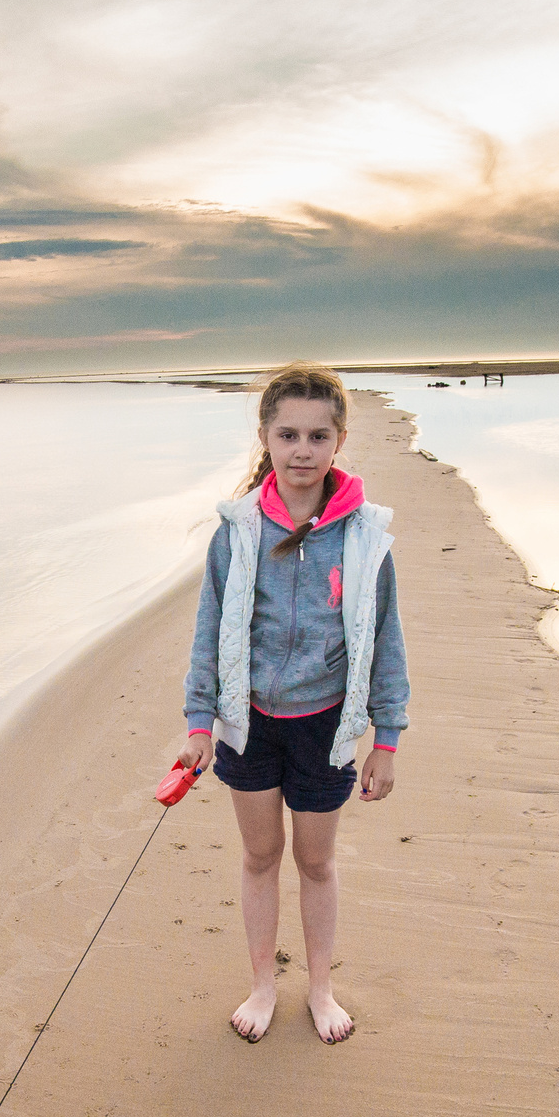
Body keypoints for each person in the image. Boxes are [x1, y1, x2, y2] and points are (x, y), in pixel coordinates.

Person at [177, 363, 409, 1044]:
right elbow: (210, 629)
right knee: (258, 857)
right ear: (266, 438)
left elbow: (386, 637)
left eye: (317, 435)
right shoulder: (237, 530)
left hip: (326, 728)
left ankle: (322, 989)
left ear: (338, 441)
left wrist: (386, 738)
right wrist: (199, 723)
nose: (302, 449)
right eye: (288, 435)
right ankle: (261, 984)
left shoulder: (366, 536)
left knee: (315, 862)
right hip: (249, 725)